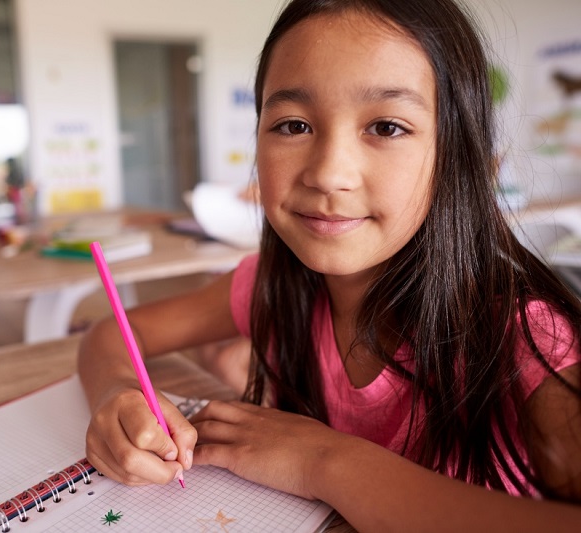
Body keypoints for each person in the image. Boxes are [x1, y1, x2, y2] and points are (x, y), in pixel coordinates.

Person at [78, 0, 581, 530]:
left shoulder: (526, 344)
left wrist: (325, 460)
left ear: (456, 153)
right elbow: (110, 333)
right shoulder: (270, 287)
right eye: (293, 125)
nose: (328, 174)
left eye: (386, 127)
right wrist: (115, 393)